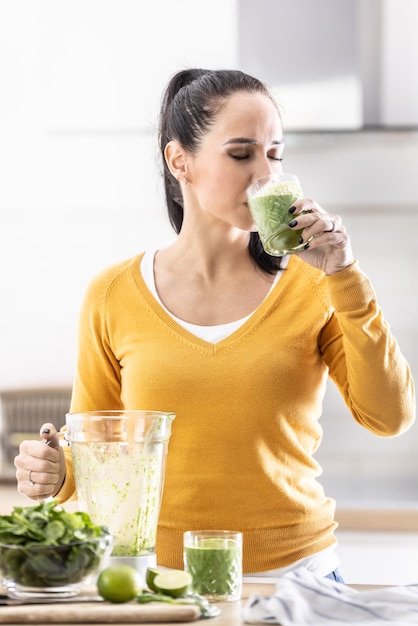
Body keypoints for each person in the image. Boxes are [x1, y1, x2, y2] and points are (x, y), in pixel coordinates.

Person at [15, 68, 415, 582]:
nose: (264, 175)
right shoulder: (113, 293)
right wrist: (55, 469)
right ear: (179, 160)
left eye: (274, 154)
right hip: (161, 582)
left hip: (295, 579)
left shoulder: (317, 283)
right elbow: (96, 441)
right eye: (241, 153)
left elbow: (390, 416)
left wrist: (345, 274)